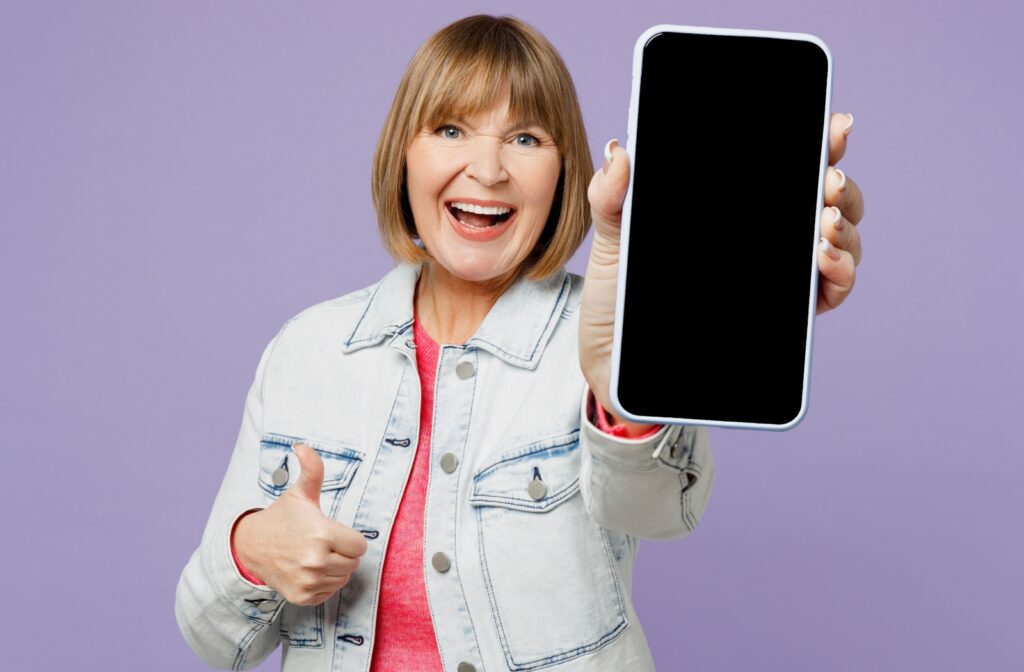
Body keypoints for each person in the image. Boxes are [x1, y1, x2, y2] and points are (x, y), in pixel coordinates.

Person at [175, 14, 864, 672]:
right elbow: (214, 641)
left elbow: (658, 510)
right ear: (402, 156)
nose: (488, 169)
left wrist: (623, 378)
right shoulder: (308, 351)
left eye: (526, 139)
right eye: (450, 128)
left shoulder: (610, 337)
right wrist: (252, 550)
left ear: (565, 173)